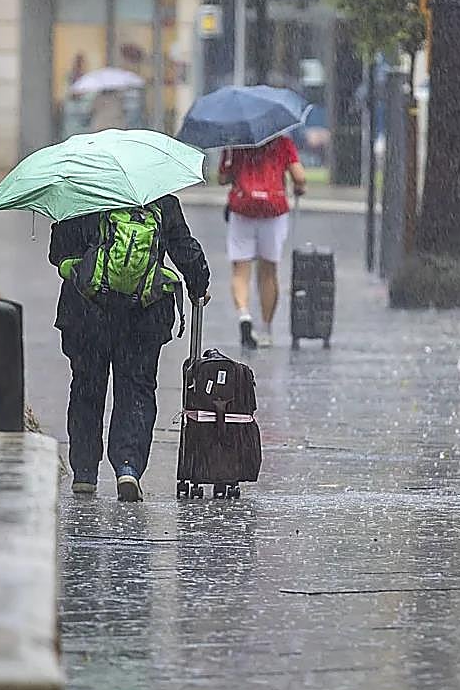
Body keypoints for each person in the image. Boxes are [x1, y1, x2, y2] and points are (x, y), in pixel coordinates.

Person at [48, 195, 210, 501]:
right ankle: (128, 467)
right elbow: (185, 248)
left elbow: (58, 253)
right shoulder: (160, 199)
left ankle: (84, 472)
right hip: (144, 314)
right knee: (136, 388)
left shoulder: (82, 195)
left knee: (86, 387)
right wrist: (199, 284)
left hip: (85, 312)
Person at [219, 135, 307, 349]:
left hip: (242, 209)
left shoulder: (235, 141)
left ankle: (244, 315)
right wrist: (298, 188)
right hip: (273, 211)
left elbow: (222, 178)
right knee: (268, 272)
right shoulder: (283, 142)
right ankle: (266, 330)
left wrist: (240, 174)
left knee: (240, 271)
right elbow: (300, 176)